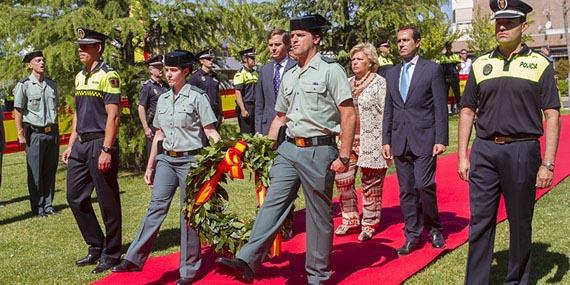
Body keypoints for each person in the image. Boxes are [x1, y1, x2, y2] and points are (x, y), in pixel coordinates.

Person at [215, 14, 356, 284]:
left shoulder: (330, 70)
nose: (294, 40)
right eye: (292, 36)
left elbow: (347, 113)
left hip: (320, 150)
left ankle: (318, 275)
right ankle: (247, 261)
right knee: (272, 203)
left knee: (318, 216)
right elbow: (280, 117)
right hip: (289, 149)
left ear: (316, 38)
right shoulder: (290, 74)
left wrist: (344, 155)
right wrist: (265, 149)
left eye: (300, 35)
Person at [458, 1, 560, 284]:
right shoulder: (480, 63)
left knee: (519, 222)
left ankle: (516, 280)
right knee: (480, 222)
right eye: (498, 22)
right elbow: (467, 110)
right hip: (485, 151)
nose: (501, 27)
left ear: (524, 27)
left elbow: (552, 115)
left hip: (522, 151)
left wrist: (548, 164)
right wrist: (462, 156)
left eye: (510, 22)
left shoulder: (540, 64)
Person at [112, 50, 220, 285]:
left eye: (172, 70)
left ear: (185, 72)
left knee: (188, 215)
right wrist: (150, 166)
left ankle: (188, 270)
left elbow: (210, 130)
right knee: (155, 208)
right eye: (166, 70)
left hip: (191, 161)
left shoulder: (197, 97)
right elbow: (159, 135)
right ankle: (133, 258)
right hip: (166, 161)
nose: (167, 74)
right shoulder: (161, 98)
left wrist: (222, 154)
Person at [381, 26, 448, 255]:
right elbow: (389, 109)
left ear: (417, 42)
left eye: (406, 40)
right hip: (400, 139)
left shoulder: (432, 70)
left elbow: (440, 106)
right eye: (398, 40)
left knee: (424, 185)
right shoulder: (391, 73)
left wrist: (441, 138)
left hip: (425, 138)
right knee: (407, 190)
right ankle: (413, 233)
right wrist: (386, 140)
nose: (401, 44)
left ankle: (435, 228)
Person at [62, 28, 122, 273]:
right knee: (74, 196)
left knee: (107, 200)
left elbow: (114, 116)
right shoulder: (79, 76)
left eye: (86, 46)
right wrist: (70, 143)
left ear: (99, 48)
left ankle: (113, 253)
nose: (81, 50)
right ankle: (96, 245)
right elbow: (79, 113)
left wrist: (106, 149)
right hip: (81, 144)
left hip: (100, 143)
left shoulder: (109, 76)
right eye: (80, 46)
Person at [334, 43, 390, 241]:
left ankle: (369, 223)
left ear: (371, 62)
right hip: (347, 141)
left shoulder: (379, 83)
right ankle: (349, 218)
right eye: (353, 59)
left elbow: (386, 113)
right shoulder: (347, 83)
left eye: (359, 59)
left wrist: (387, 141)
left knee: (371, 183)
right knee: (343, 180)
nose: (355, 62)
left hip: (372, 140)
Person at [13, 50, 59, 217]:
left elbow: (56, 110)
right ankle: (37, 207)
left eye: (43, 60)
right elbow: (17, 110)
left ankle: (48, 205)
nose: (42, 63)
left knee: (50, 170)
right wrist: (20, 133)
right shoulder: (23, 85)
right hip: (34, 133)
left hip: (52, 132)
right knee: (35, 172)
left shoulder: (52, 85)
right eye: (38, 60)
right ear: (30, 65)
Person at [254, 29, 296, 135]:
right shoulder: (264, 70)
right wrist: (258, 130)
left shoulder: (296, 67)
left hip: (291, 126)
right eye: (270, 45)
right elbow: (259, 104)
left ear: (287, 45)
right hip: (267, 126)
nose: (273, 48)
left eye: (277, 44)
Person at [138, 55, 168, 159]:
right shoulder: (148, 87)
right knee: (154, 156)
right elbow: (141, 107)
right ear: (151, 70)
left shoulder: (166, 86)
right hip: (153, 126)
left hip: (166, 126)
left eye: (161, 67)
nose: (161, 70)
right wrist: (146, 128)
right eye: (158, 67)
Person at [189, 49, 223, 130]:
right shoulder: (195, 77)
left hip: (215, 112)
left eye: (211, 59)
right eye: (208, 59)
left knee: (216, 139)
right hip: (202, 112)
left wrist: (221, 113)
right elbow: (190, 97)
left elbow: (218, 95)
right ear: (201, 61)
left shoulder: (215, 76)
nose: (211, 61)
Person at [233, 48, 258, 134]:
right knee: (246, 134)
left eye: (254, 58)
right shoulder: (240, 74)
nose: (254, 60)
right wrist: (243, 109)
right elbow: (238, 93)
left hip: (256, 106)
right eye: (252, 58)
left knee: (256, 133)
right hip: (246, 106)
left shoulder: (256, 73)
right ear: (244, 59)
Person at [439, 42, 461, 113]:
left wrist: (456, 72)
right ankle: (444, 110)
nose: (449, 47)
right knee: (445, 94)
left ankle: (459, 108)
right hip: (445, 77)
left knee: (457, 93)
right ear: (446, 47)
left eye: (450, 46)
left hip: (454, 77)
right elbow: (441, 68)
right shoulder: (443, 57)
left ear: (451, 47)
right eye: (447, 46)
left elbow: (459, 66)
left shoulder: (455, 56)